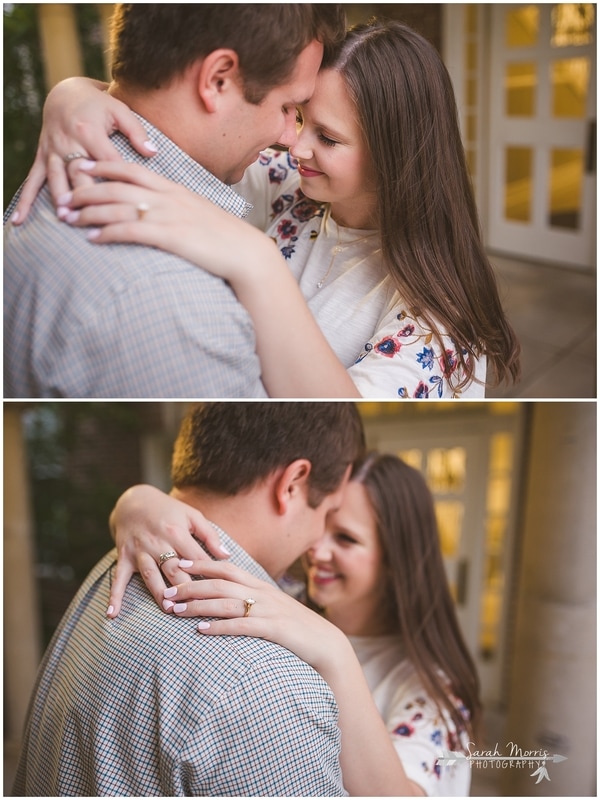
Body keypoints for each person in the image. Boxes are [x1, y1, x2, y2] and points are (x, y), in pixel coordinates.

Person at [10, 19, 521, 399]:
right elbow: (171, 129)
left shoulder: (437, 326)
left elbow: (342, 422)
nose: (295, 145)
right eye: (298, 117)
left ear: (396, 154)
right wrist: (70, 97)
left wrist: (256, 261)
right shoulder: (294, 188)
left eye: (329, 137)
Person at [12, 401, 366, 797]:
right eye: (328, 512)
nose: (317, 543)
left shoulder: (118, 563)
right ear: (293, 484)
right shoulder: (269, 687)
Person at [3, 4, 350, 398]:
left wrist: (71, 89)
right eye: (287, 108)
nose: (289, 139)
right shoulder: (182, 309)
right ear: (217, 80)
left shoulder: (65, 167)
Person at [105, 452, 482, 796]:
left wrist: (337, 653)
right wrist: (135, 503)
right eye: (323, 525)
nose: (317, 550)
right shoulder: (282, 599)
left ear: (395, 560)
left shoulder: (433, 691)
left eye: (346, 539)